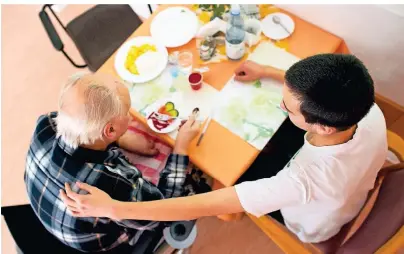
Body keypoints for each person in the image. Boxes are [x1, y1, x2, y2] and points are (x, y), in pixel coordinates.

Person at [60, 54, 388, 244]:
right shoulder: (367, 108)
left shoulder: (300, 182)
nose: (282, 105)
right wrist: (268, 72)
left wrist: (114, 209)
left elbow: (197, 205)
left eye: (288, 106)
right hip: (355, 176)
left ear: (323, 126)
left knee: (229, 173)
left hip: (312, 224)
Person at [24, 73, 201, 253]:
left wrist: (121, 140)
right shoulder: (111, 182)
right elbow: (163, 208)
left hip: (51, 216)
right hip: (107, 245)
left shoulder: (45, 123)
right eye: (127, 112)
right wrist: (181, 145)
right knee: (193, 180)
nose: (131, 118)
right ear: (109, 130)